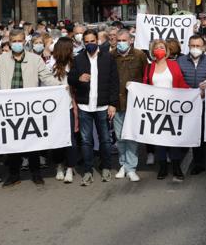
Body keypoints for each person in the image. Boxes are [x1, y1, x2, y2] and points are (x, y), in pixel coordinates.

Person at [0, 30, 60, 187]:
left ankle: (36, 173)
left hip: (29, 107)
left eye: (20, 40)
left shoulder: (35, 60)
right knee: (12, 143)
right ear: (9, 42)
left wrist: (60, 88)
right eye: (14, 41)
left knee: (33, 142)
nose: (17, 44)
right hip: (9, 108)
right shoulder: (2, 59)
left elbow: (46, 78)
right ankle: (14, 175)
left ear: (24, 41)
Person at [69, 29, 118, 185]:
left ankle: (106, 168)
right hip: (85, 106)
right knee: (86, 141)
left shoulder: (108, 58)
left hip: (102, 106)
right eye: (87, 42)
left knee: (105, 140)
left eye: (92, 41)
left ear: (97, 40)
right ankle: (88, 170)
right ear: (83, 42)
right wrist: (78, 78)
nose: (89, 44)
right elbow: (70, 79)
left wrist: (112, 104)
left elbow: (114, 83)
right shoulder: (78, 59)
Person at [143, 39, 191, 181]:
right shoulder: (149, 67)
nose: (159, 50)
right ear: (152, 51)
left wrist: (194, 93)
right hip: (156, 110)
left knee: (174, 139)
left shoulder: (174, 65)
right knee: (159, 140)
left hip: (173, 108)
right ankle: (162, 167)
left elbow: (181, 83)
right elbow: (145, 86)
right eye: (157, 48)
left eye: (162, 47)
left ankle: (176, 167)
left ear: (167, 50)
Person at [112, 29, 147, 183]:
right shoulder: (111, 56)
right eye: (118, 40)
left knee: (132, 137)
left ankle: (131, 167)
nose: (121, 43)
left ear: (131, 40)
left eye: (124, 40)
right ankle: (123, 164)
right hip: (117, 104)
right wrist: (110, 103)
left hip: (134, 104)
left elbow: (146, 77)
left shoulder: (140, 55)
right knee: (120, 137)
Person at [178, 34, 206, 176]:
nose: (195, 48)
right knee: (195, 135)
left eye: (198, 46)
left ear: (203, 47)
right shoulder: (181, 61)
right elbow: (178, 79)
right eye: (192, 46)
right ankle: (198, 164)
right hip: (189, 105)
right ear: (188, 46)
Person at [50, 37, 80, 184]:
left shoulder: (74, 64)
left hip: (68, 106)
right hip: (53, 108)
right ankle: (59, 166)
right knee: (57, 139)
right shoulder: (51, 64)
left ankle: (70, 167)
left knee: (70, 139)